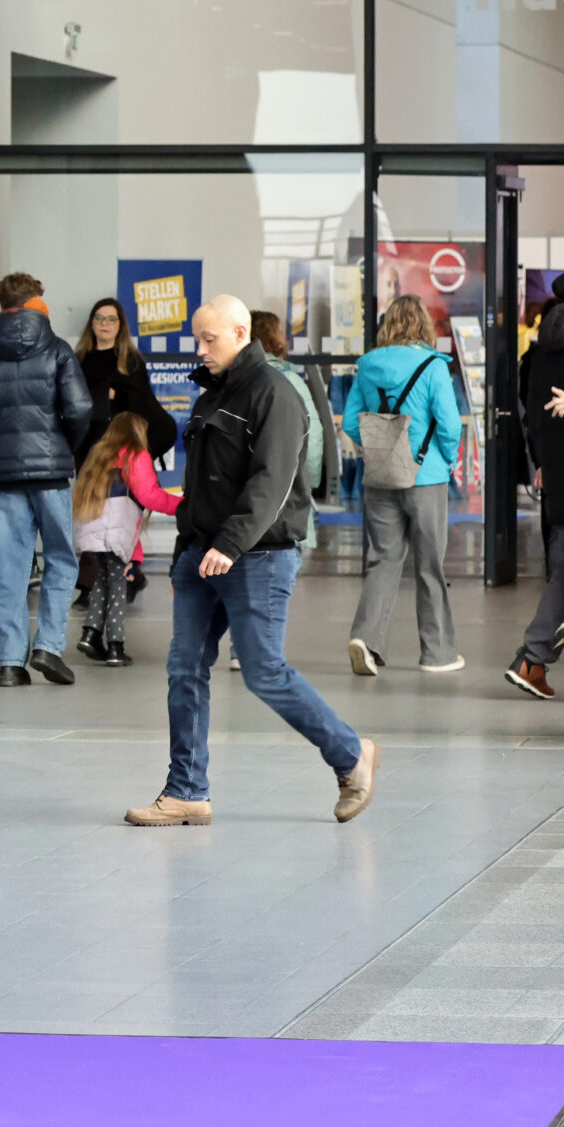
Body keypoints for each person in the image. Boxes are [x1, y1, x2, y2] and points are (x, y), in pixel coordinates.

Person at [126, 296, 378, 828]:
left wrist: (229, 544)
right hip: (202, 555)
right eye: (197, 339)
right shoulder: (212, 394)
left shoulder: (274, 393)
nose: (200, 349)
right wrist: (186, 552)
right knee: (184, 668)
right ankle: (186, 791)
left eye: (209, 339)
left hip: (256, 557)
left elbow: (273, 481)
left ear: (241, 333)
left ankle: (351, 754)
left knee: (263, 671)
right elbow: (198, 485)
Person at [0, 272, 92, 687]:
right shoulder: (58, 349)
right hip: (52, 475)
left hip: (6, 476)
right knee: (60, 560)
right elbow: (80, 408)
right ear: (35, 302)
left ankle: (10, 664)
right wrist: (64, 447)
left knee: (8, 567)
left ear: (2, 304)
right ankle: (48, 647)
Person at [340, 294, 464, 676]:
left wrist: (379, 446)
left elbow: (350, 421)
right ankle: (438, 654)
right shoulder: (433, 366)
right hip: (427, 477)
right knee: (429, 566)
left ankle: (366, 640)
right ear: (423, 324)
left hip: (381, 476)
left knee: (382, 561)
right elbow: (450, 424)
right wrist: (447, 457)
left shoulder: (367, 365)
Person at [510, 270, 564, 698]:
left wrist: (542, 463)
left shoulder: (540, 350)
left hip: (559, 476)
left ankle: (531, 661)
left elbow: (532, 415)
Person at [73, 412, 182, 667]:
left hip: (92, 530)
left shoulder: (98, 453)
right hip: (115, 532)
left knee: (102, 581)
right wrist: (183, 505)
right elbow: (149, 497)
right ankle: (115, 646)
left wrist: (136, 556)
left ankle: (90, 634)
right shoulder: (135, 455)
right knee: (118, 587)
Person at [250, 309, 331, 553]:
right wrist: (310, 481)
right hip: (287, 497)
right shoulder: (290, 381)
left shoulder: (233, 380)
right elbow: (312, 437)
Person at [76, 297, 177, 466]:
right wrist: (102, 395)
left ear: (120, 325)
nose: (104, 323)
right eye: (99, 318)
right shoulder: (78, 361)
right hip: (90, 449)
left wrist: (117, 395)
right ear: (91, 324)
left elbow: (144, 406)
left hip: (123, 448)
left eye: (111, 319)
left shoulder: (131, 361)